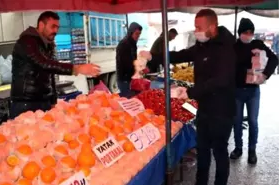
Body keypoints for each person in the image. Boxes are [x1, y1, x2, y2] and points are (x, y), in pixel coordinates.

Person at [152, 9, 236, 185]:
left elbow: (221, 80)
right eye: (195, 26)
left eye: (199, 27)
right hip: (204, 109)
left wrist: (189, 92)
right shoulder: (201, 46)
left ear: (212, 27)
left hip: (222, 111)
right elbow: (180, 55)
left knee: (220, 151)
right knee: (203, 150)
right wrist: (153, 57)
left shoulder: (227, 47)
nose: (196, 30)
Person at [10, 11, 100, 119]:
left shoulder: (48, 45)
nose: (56, 31)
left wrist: (53, 100)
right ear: (41, 25)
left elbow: (50, 73)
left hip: (44, 101)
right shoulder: (27, 41)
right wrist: (77, 68)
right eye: (53, 26)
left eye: (57, 27)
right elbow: (43, 63)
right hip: (26, 103)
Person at [230, 18, 279, 164]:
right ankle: (238, 148)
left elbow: (274, 59)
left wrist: (265, 75)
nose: (248, 35)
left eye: (251, 32)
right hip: (237, 90)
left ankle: (252, 150)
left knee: (253, 121)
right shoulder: (233, 47)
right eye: (245, 32)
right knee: (237, 121)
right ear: (240, 33)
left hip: (253, 91)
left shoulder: (258, 44)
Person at [116, 22, 142, 98]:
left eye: (139, 34)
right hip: (124, 79)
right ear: (131, 32)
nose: (138, 36)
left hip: (130, 78)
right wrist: (139, 67)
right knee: (128, 100)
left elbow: (134, 59)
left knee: (132, 99)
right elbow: (127, 62)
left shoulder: (132, 44)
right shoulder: (124, 44)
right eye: (136, 34)